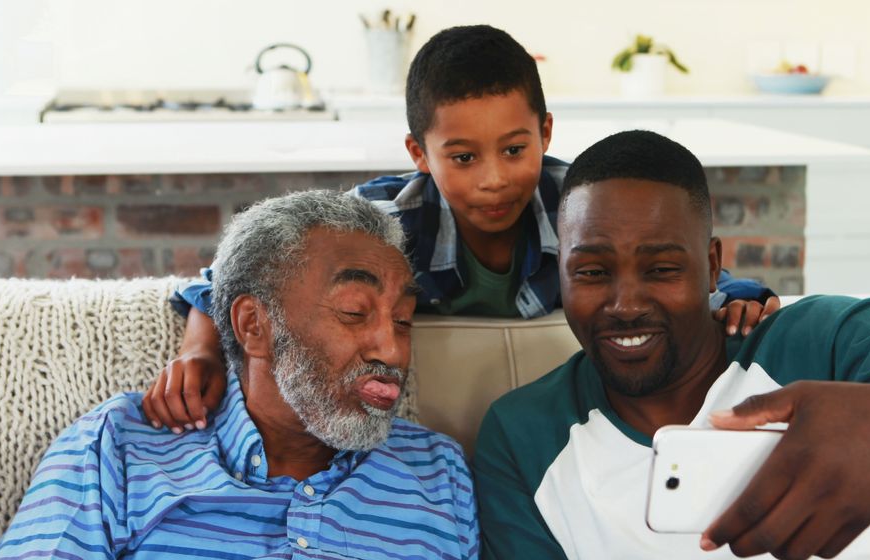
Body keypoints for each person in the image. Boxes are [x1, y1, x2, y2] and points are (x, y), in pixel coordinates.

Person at [143, 24, 779, 433]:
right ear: (420, 154)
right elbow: (229, 278)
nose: (494, 180)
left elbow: (674, 273)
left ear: (547, 133)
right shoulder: (387, 219)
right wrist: (200, 350)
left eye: (514, 148)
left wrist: (742, 300)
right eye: (463, 158)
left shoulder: (582, 204)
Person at [473, 130, 870, 560]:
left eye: (663, 269)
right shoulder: (525, 436)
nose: (625, 304)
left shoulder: (825, 340)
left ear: (713, 266)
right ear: (561, 275)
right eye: (592, 271)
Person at [0, 190, 478, 560]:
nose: (391, 350)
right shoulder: (118, 447)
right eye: (353, 311)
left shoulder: (437, 472)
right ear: (252, 326)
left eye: (404, 319)